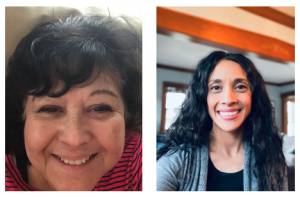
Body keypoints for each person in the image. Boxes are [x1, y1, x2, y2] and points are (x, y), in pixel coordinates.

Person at [5, 14, 142, 191]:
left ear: (126, 113)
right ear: (22, 116)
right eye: (50, 109)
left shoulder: (136, 161)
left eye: (99, 108)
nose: (74, 140)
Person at [157, 51, 287, 191]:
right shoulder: (174, 162)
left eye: (240, 86)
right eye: (216, 87)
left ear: (253, 96)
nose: (228, 99)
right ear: (203, 98)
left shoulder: (272, 160)